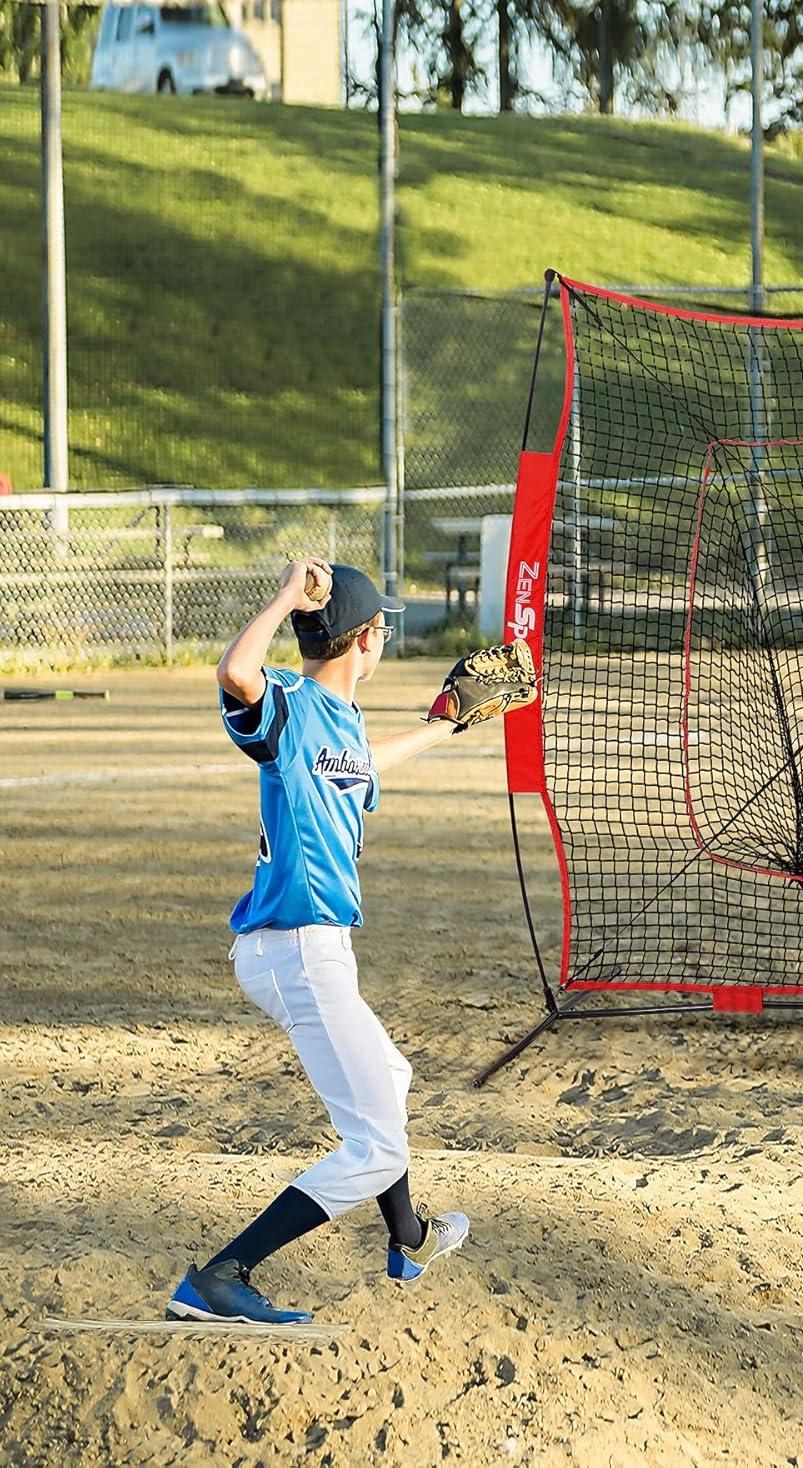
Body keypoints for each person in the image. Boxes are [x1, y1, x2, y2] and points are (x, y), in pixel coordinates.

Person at [168, 558, 470, 1325]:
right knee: (375, 1146)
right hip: (292, 945)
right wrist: (284, 597)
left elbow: (365, 765)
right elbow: (238, 671)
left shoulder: (344, 724)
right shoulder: (294, 707)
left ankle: (407, 1240)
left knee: (389, 1081)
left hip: (317, 948)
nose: (386, 638)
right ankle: (221, 1276)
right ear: (363, 641)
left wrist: (442, 728)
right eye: (382, 628)